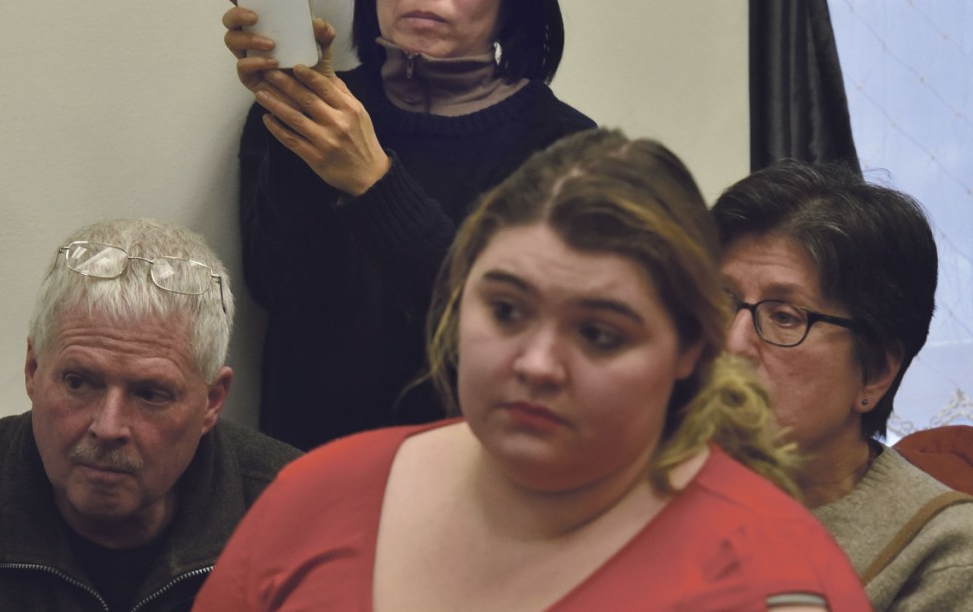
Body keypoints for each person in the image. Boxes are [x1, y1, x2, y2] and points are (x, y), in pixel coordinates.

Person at [192, 129, 870, 611]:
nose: (538, 364)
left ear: (691, 347)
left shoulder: (772, 578)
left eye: (600, 334)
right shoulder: (314, 496)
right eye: (508, 310)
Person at [223, 0, 596, 449]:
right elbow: (279, 292)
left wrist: (375, 182)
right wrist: (298, 114)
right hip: (305, 481)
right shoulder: (315, 109)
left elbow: (509, 341)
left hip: (474, 491)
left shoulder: (568, 153)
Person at [0, 218, 300, 612]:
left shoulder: (299, 520)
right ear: (33, 370)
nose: (108, 427)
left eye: (150, 394)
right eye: (79, 383)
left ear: (212, 402)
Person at [713, 160, 973, 611]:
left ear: (875, 372)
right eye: (721, 301)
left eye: (785, 316)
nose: (733, 343)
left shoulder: (943, 553)